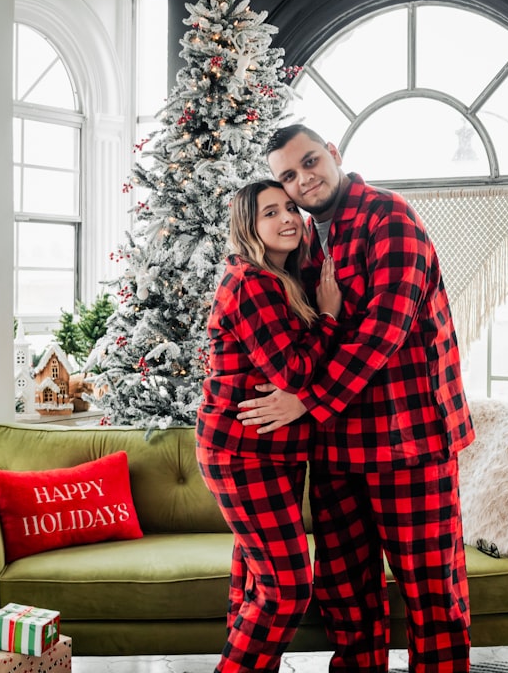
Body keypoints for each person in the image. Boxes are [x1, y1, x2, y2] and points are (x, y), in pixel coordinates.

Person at [238, 124, 476, 673]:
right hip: (338, 447)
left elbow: (382, 333)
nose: (304, 180)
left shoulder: (389, 219)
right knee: (347, 599)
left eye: (311, 161)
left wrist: (304, 400)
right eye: (288, 176)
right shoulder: (305, 238)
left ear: (335, 154)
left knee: (431, 593)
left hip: (409, 441)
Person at [196, 179, 341, 673]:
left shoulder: (282, 278)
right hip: (243, 453)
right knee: (287, 587)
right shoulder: (251, 282)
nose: (287, 219)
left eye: (290, 209)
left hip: (271, 452)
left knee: (256, 583)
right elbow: (293, 373)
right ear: (248, 226)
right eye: (269, 213)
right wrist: (326, 316)